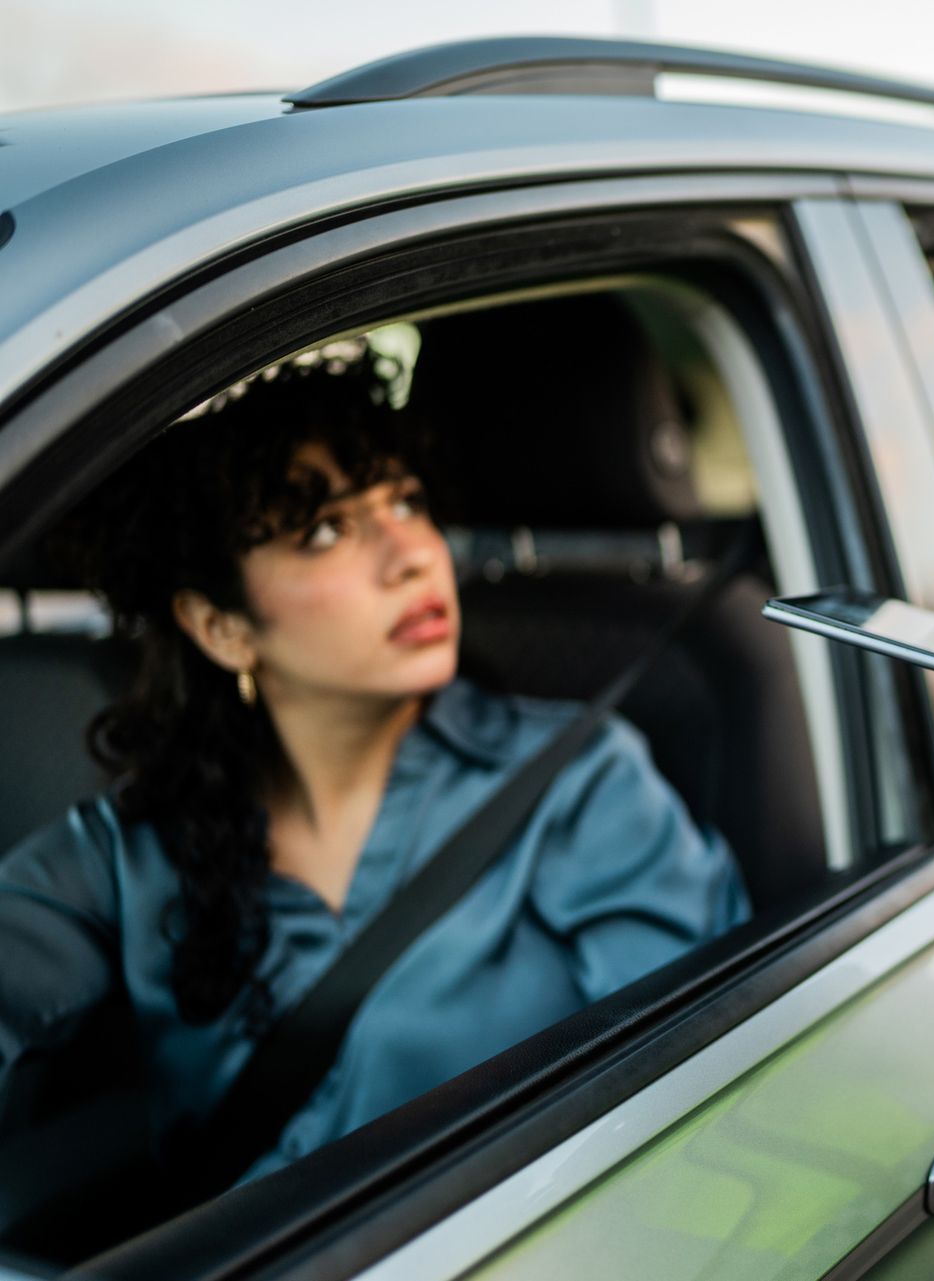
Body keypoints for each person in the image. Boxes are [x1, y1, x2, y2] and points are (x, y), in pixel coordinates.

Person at [0, 339, 748, 1185]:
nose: (414, 553)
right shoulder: (127, 851)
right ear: (221, 626)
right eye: (325, 530)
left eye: (407, 501)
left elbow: (706, 1106)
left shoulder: (578, 783)